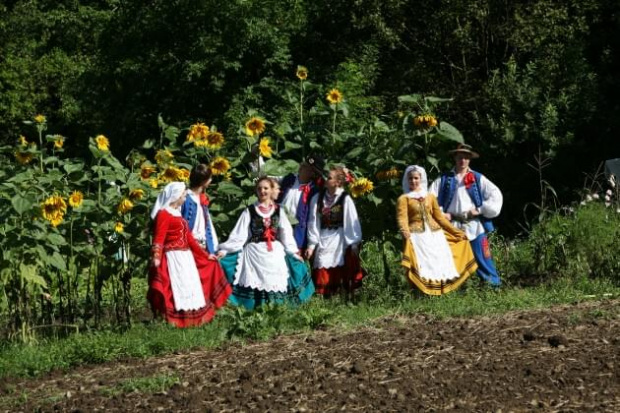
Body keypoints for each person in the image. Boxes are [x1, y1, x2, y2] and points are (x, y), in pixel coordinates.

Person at [216, 177, 315, 309]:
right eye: (259, 188)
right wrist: (225, 250)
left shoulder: (278, 210)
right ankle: (255, 305)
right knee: (251, 276)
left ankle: (276, 307)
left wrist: (293, 252)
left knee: (282, 273)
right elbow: (239, 235)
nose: (262, 191)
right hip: (254, 251)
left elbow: (286, 233)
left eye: (265, 188)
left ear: (271, 190)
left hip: (274, 251)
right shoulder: (249, 211)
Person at [147, 182, 231, 327]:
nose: (185, 198)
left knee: (189, 286)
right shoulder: (164, 214)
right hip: (173, 258)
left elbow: (190, 240)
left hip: (185, 258)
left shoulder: (177, 214)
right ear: (176, 196)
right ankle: (174, 321)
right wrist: (156, 256)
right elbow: (159, 238)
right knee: (175, 289)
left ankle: (191, 322)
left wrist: (206, 256)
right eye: (183, 195)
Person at [429, 143, 503, 286]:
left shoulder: (477, 178)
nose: (463, 160)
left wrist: (480, 210)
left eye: (466, 158)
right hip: (452, 226)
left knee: (483, 257)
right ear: (455, 158)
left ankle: (493, 287)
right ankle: (447, 290)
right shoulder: (444, 179)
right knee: (449, 258)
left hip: (474, 226)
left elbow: (496, 195)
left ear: (469, 160)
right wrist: (440, 213)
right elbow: (429, 199)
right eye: (460, 157)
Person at [397, 165, 478, 295]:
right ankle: (423, 293)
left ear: (421, 179)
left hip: (435, 234)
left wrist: (457, 233)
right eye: (411, 178)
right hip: (417, 236)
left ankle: (441, 292)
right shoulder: (403, 199)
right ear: (407, 180)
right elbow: (402, 218)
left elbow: (440, 218)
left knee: (439, 261)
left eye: (416, 178)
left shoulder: (430, 197)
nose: (413, 181)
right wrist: (405, 232)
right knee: (423, 263)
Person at [306, 166, 365, 297]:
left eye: (329, 177)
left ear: (338, 182)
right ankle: (325, 296)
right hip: (324, 237)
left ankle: (341, 296)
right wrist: (311, 244)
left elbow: (351, 219)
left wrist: (354, 242)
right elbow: (313, 221)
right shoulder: (317, 198)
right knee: (322, 263)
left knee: (339, 262)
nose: (326, 179)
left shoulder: (345, 199)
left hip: (340, 237)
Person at [252, 153, 326, 251]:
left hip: (295, 237)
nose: (301, 166)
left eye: (305, 167)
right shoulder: (288, 179)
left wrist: (311, 245)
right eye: (302, 164)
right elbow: (265, 177)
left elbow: (313, 219)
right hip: (275, 229)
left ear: (313, 173)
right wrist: (256, 157)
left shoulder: (313, 192)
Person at [181, 164, 218, 255]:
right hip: (188, 247)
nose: (211, 180)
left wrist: (213, 248)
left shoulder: (202, 200)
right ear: (203, 182)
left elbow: (208, 225)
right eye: (209, 178)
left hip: (204, 247)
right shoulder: (184, 198)